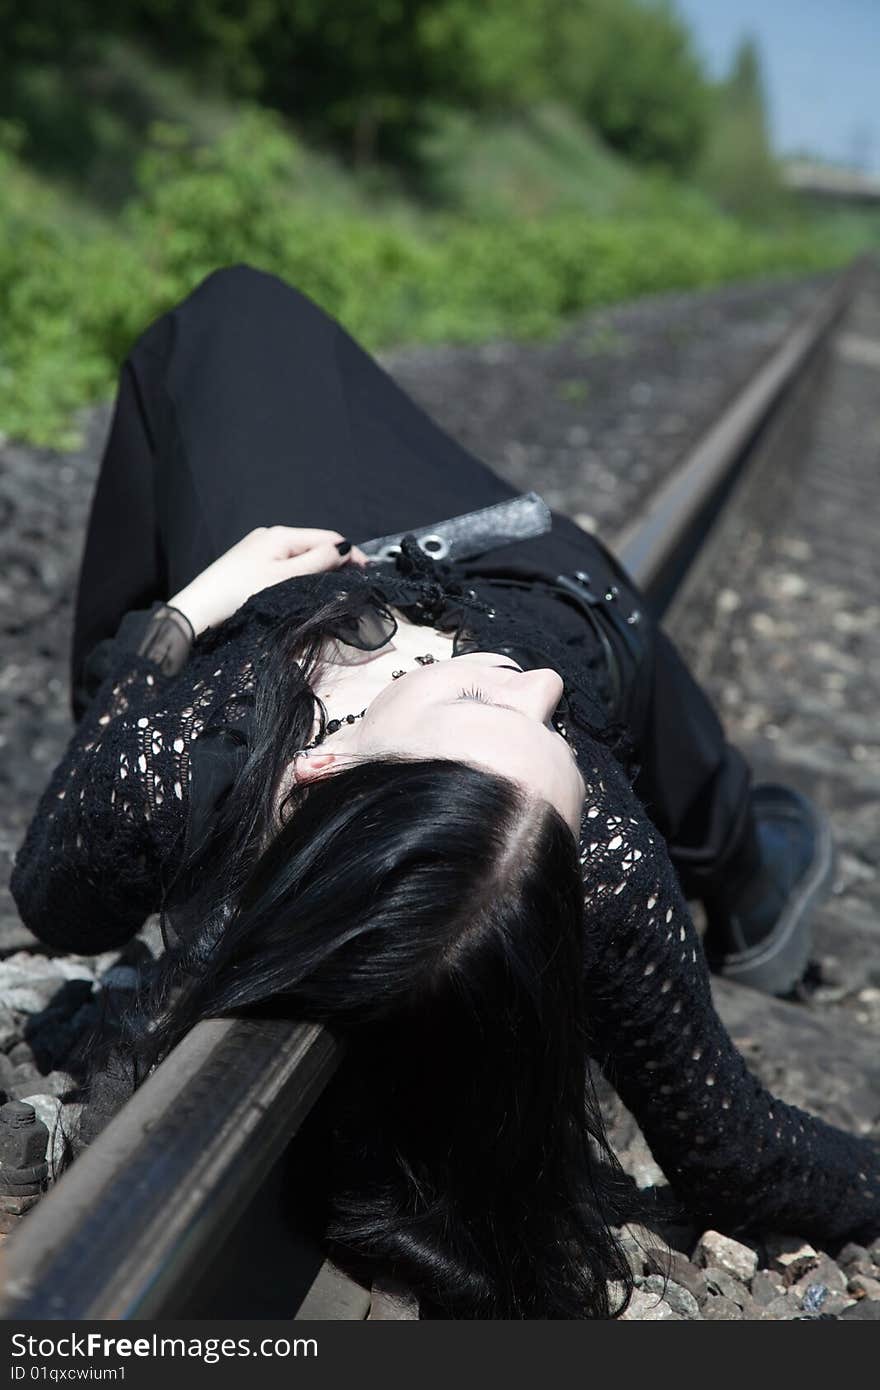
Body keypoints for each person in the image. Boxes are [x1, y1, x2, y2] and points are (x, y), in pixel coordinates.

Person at [9, 265, 880, 1320]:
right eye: (544, 731)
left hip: (294, 558)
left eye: (474, 699)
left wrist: (180, 619)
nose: (538, 690)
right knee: (644, 685)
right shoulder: (580, 840)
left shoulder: (195, 754)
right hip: (547, 575)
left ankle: (738, 844)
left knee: (228, 317)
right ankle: (745, 870)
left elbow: (56, 899)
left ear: (323, 767)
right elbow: (739, 1147)